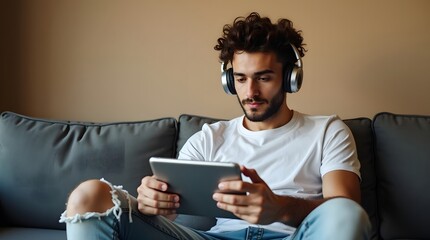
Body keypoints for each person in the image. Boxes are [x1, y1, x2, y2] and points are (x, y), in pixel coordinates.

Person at [60, 12, 371, 239]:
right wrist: (153, 201)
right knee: (89, 195)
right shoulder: (208, 139)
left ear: (291, 78)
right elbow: (168, 210)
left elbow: (345, 209)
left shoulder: (327, 131)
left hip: (295, 236)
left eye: (263, 78)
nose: (250, 93)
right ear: (228, 80)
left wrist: (280, 209)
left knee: (345, 212)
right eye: (240, 79)